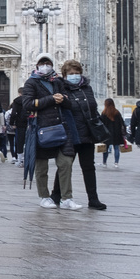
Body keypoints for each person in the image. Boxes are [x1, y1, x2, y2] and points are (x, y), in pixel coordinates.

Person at [22, 53, 82, 209]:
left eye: (48, 63)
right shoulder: (31, 83)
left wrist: (64, 99)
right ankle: (44, 196)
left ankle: (66, 198)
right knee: (41, 166)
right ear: (36, 66)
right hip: (41, 128)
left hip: (61, 127)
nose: (45, 65)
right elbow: (27, 103)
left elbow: (69, 103)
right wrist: (51, 99)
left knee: (66, 162)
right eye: (42, 63)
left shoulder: (58, 82)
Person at [49, 60, 108, 210]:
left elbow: (92, 108)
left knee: (89, 167)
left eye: (77, 73)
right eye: (71, 74)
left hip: (87, 133)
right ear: (65, 75)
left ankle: (93, 199)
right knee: (65, 165)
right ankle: (56, 194)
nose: (74, 76)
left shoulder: (87, 88)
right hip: (70, 133)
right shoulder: (61, 88)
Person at [100, 98, 126, 166]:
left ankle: (104, 162)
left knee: (105, 148)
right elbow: (122, 123)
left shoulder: (104, 113)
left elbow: (101, 123)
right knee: (116, 148)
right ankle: (116, 163)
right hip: (116, 133)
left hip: (107, 133)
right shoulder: (117, 112)